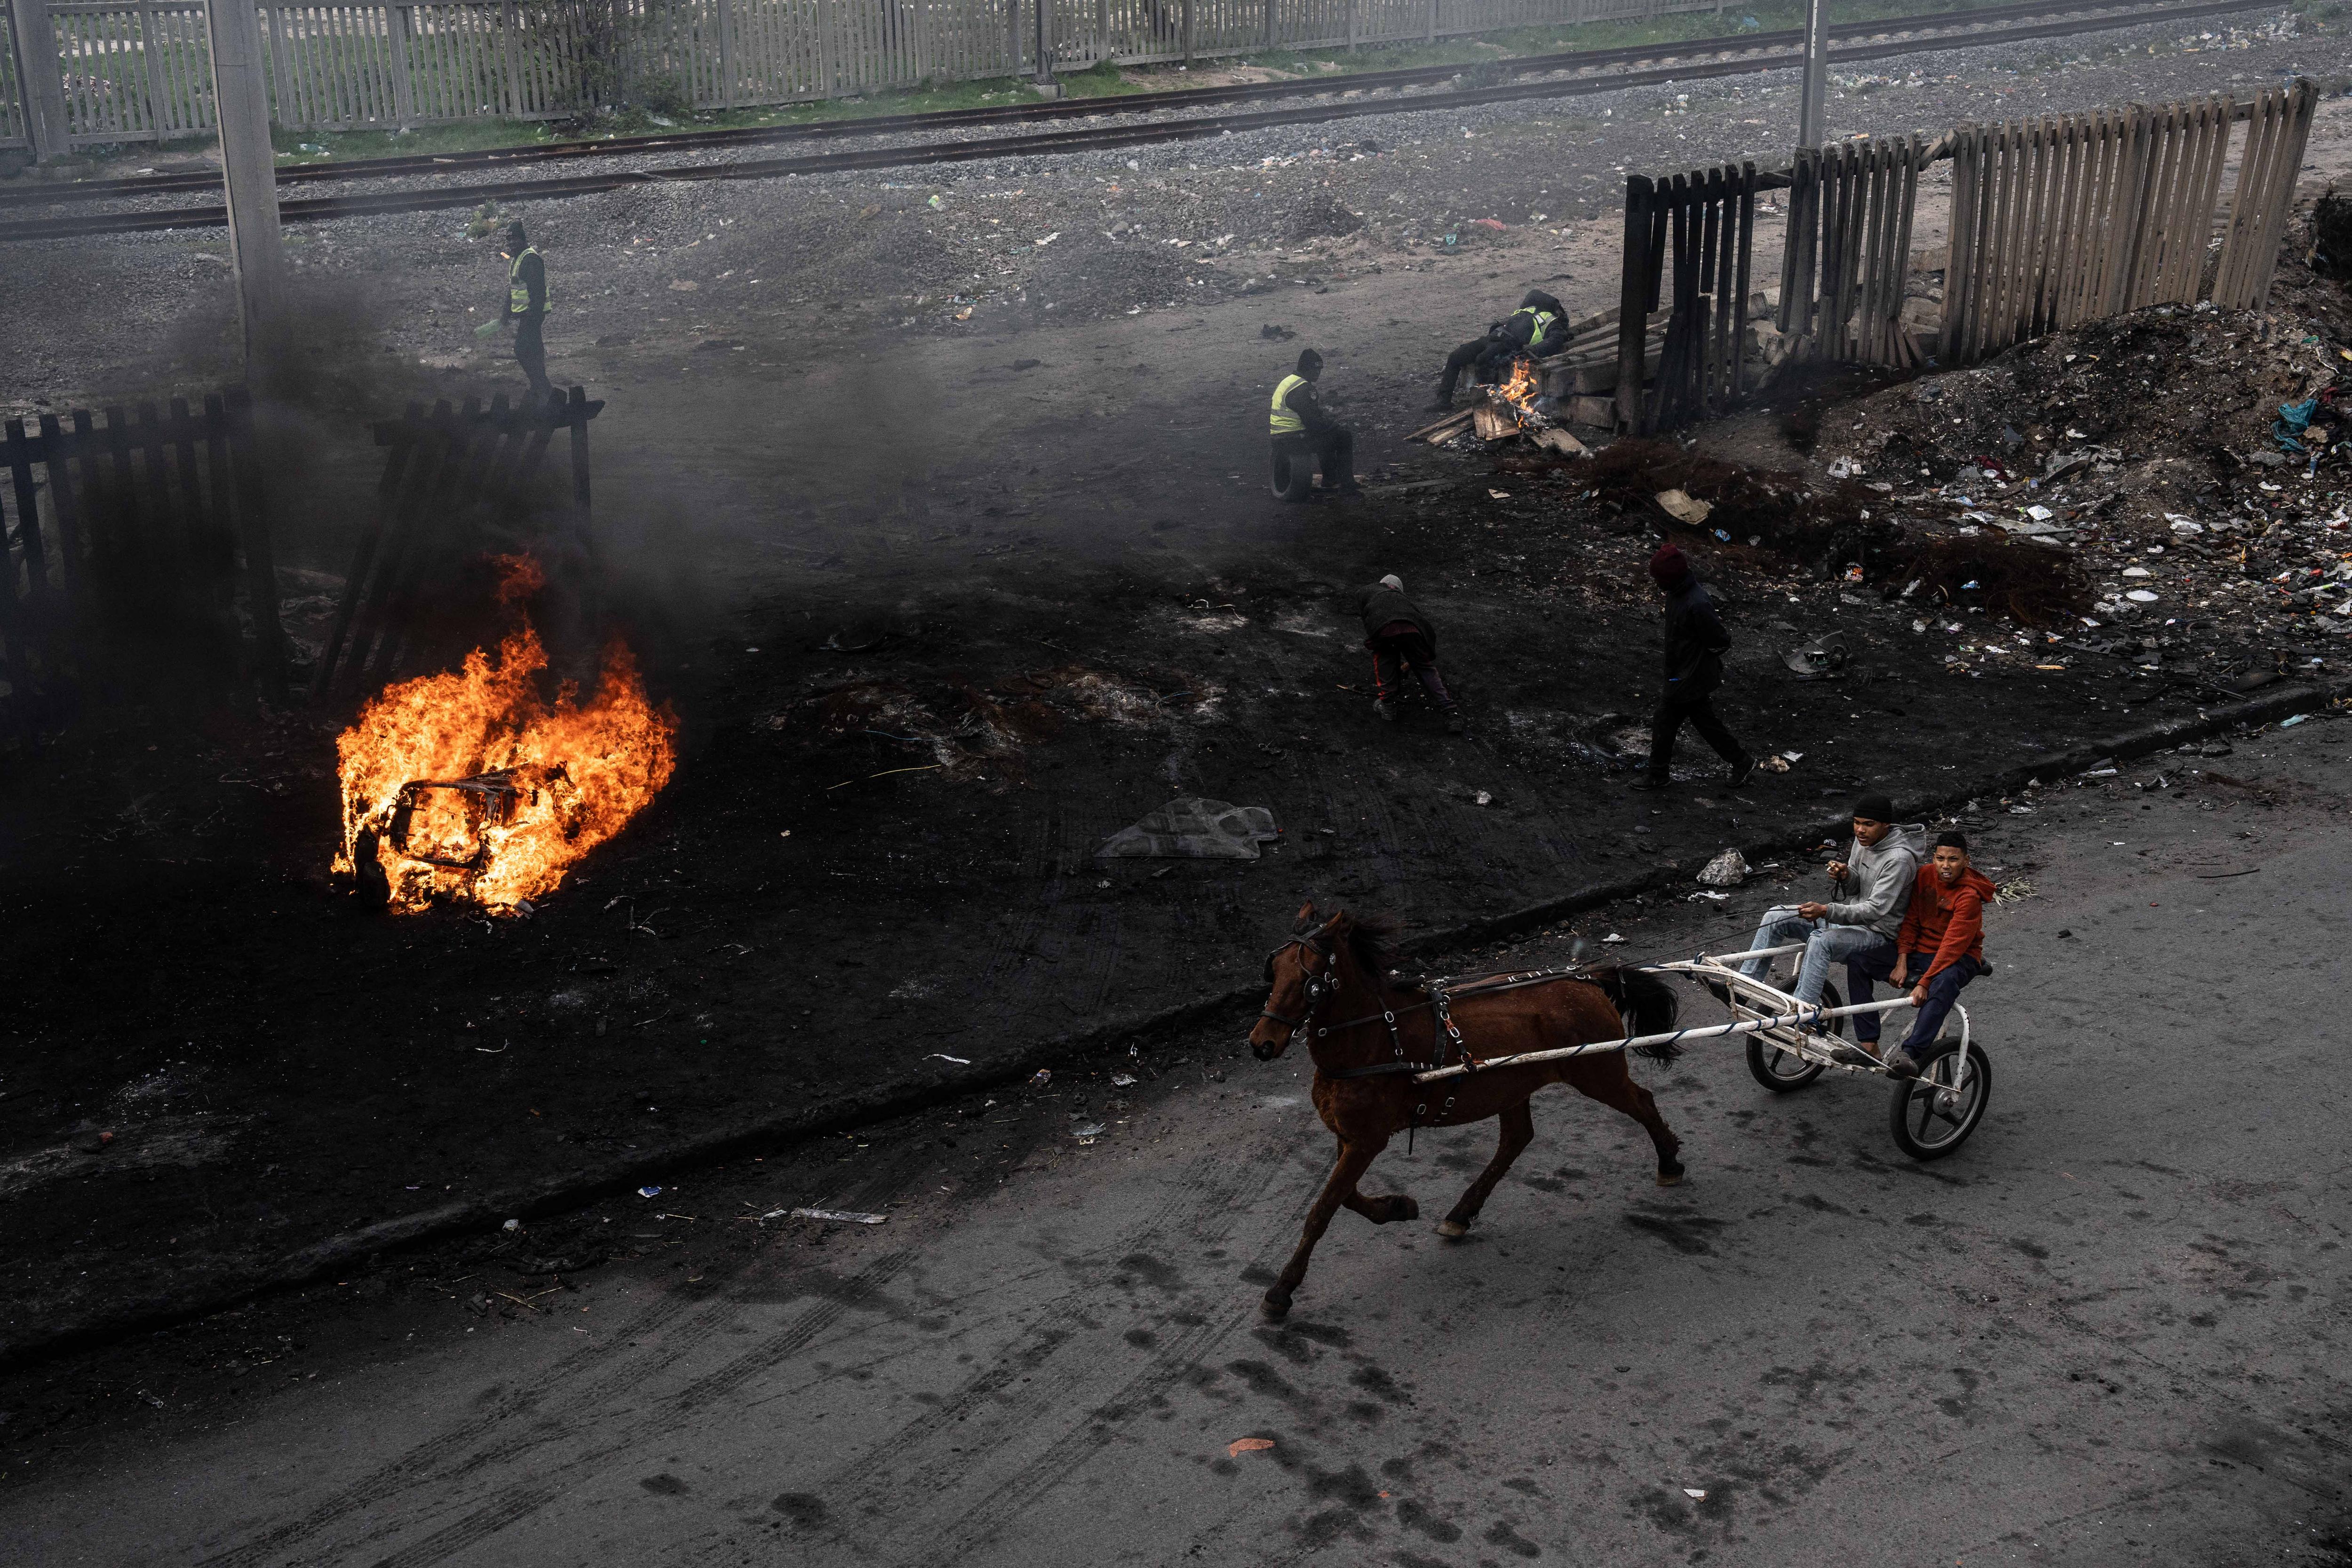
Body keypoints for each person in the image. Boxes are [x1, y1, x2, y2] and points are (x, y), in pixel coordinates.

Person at [1737, 794, 1918, 1019]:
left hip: (1878, 935)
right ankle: (1744, 989)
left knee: (1821, 940)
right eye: (1857, 823)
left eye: (1868, 825)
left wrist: (1826, 910)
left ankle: (1804, 1016)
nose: (1860, 830)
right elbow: (1856, 890)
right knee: (1776, 916)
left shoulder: (1899, 860)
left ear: (1886, 826)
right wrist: (1846, 875)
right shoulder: (1863, 842)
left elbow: (1874, 910)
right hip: (1852, 923)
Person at [1843, 832, 1998, 1078]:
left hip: (1960, 956)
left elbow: (1952, 946)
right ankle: (1869, 1045)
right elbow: (1911, 920)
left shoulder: (1969, 896)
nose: (1945, 866)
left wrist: (1925, 982)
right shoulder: (1925, 875)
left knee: (1944, 984)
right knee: (1859, 960)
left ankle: (1911, 1053)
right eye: (1940, 858)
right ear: (1933, 858)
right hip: (1920, 951)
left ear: (1966, 861)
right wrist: (1902, 960)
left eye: (1953, 860)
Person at [1631, 543, 1755, 790]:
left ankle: (1658, 774)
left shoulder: (1697, 603)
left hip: (1690, 677)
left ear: (1671, 578)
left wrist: (1697, 662)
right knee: (1703, 722)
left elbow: (1721, 641)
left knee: (1666, 720)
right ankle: (1741, 761)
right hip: (1683, 674)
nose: (1657, 584)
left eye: (1659, 579)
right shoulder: (1677, 594)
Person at [1347, 574, 1462, 734]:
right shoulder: (1406, 604)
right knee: (1425, 669)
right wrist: (1416, 660)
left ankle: (1388, 707)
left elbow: (1373, 626)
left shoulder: (1367, 592)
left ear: (1383, 586)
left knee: (1385, 657)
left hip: (1383, 627)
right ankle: (1452, 714)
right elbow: (1426, 636)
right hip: (1414, 629)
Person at [1430, 289, 1569, 409]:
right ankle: (1443, 400)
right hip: (1491, 339)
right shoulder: (1522, 312)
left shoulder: (1550, 319)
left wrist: (1534, 350)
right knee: (1455, 357)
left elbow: (1556, 339)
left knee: (1482, 360)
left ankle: (1487, 405)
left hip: (1508, 344)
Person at [1270, 348, 1359, 496]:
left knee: (1327, 436)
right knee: (1343, 437)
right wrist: (1334, 425)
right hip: (1295, 439)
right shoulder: (1305, 389)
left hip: (1278, 437)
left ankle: (1330, 477)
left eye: (1320, 369)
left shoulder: (1288, 382)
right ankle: (1347, 484)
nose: (1318, 373)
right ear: (1307, 369)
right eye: (1315, 369)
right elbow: (1313, 423)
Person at [499, 222, 552, 400]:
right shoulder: (518, 258)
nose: (511, 243)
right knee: (535, 351)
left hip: (532, 314)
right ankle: (541, 390)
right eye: (509, 240)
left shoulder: (530, 259)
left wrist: (532, 313)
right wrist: (505, 315)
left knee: (522, 349)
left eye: (515, 239)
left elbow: (537, 290)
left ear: (523, 239)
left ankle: (542, 386)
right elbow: (513, 288)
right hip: (526, 314)